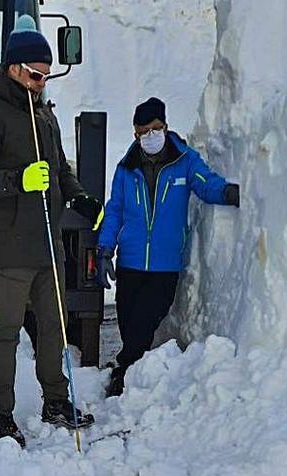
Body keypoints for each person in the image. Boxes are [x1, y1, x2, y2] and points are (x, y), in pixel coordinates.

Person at [0, 16, 102, 447]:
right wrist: (16, 180)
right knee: (8, 331)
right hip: (11, 248)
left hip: (48, 246)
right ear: (15, 68)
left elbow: (57, 170)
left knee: (55, 326)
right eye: (36, 74)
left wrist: (76, 196)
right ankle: (0, 412)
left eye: (47, 75)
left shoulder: (44, 114)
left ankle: (56, 399)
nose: (42, 82)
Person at [96, 97, 240, 397]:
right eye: (144, 131)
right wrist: (105, 248)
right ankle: (129, 372)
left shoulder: (184, 161)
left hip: (164, 265)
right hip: (130, 262)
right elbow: (115, 210)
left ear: (165, 126)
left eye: (156, 128)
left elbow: (206, 183)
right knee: (129, 324)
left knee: (143, 324)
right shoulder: (126, 168)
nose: (151, 136)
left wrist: (228, 192)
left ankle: (124, 375)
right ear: (135, 134)